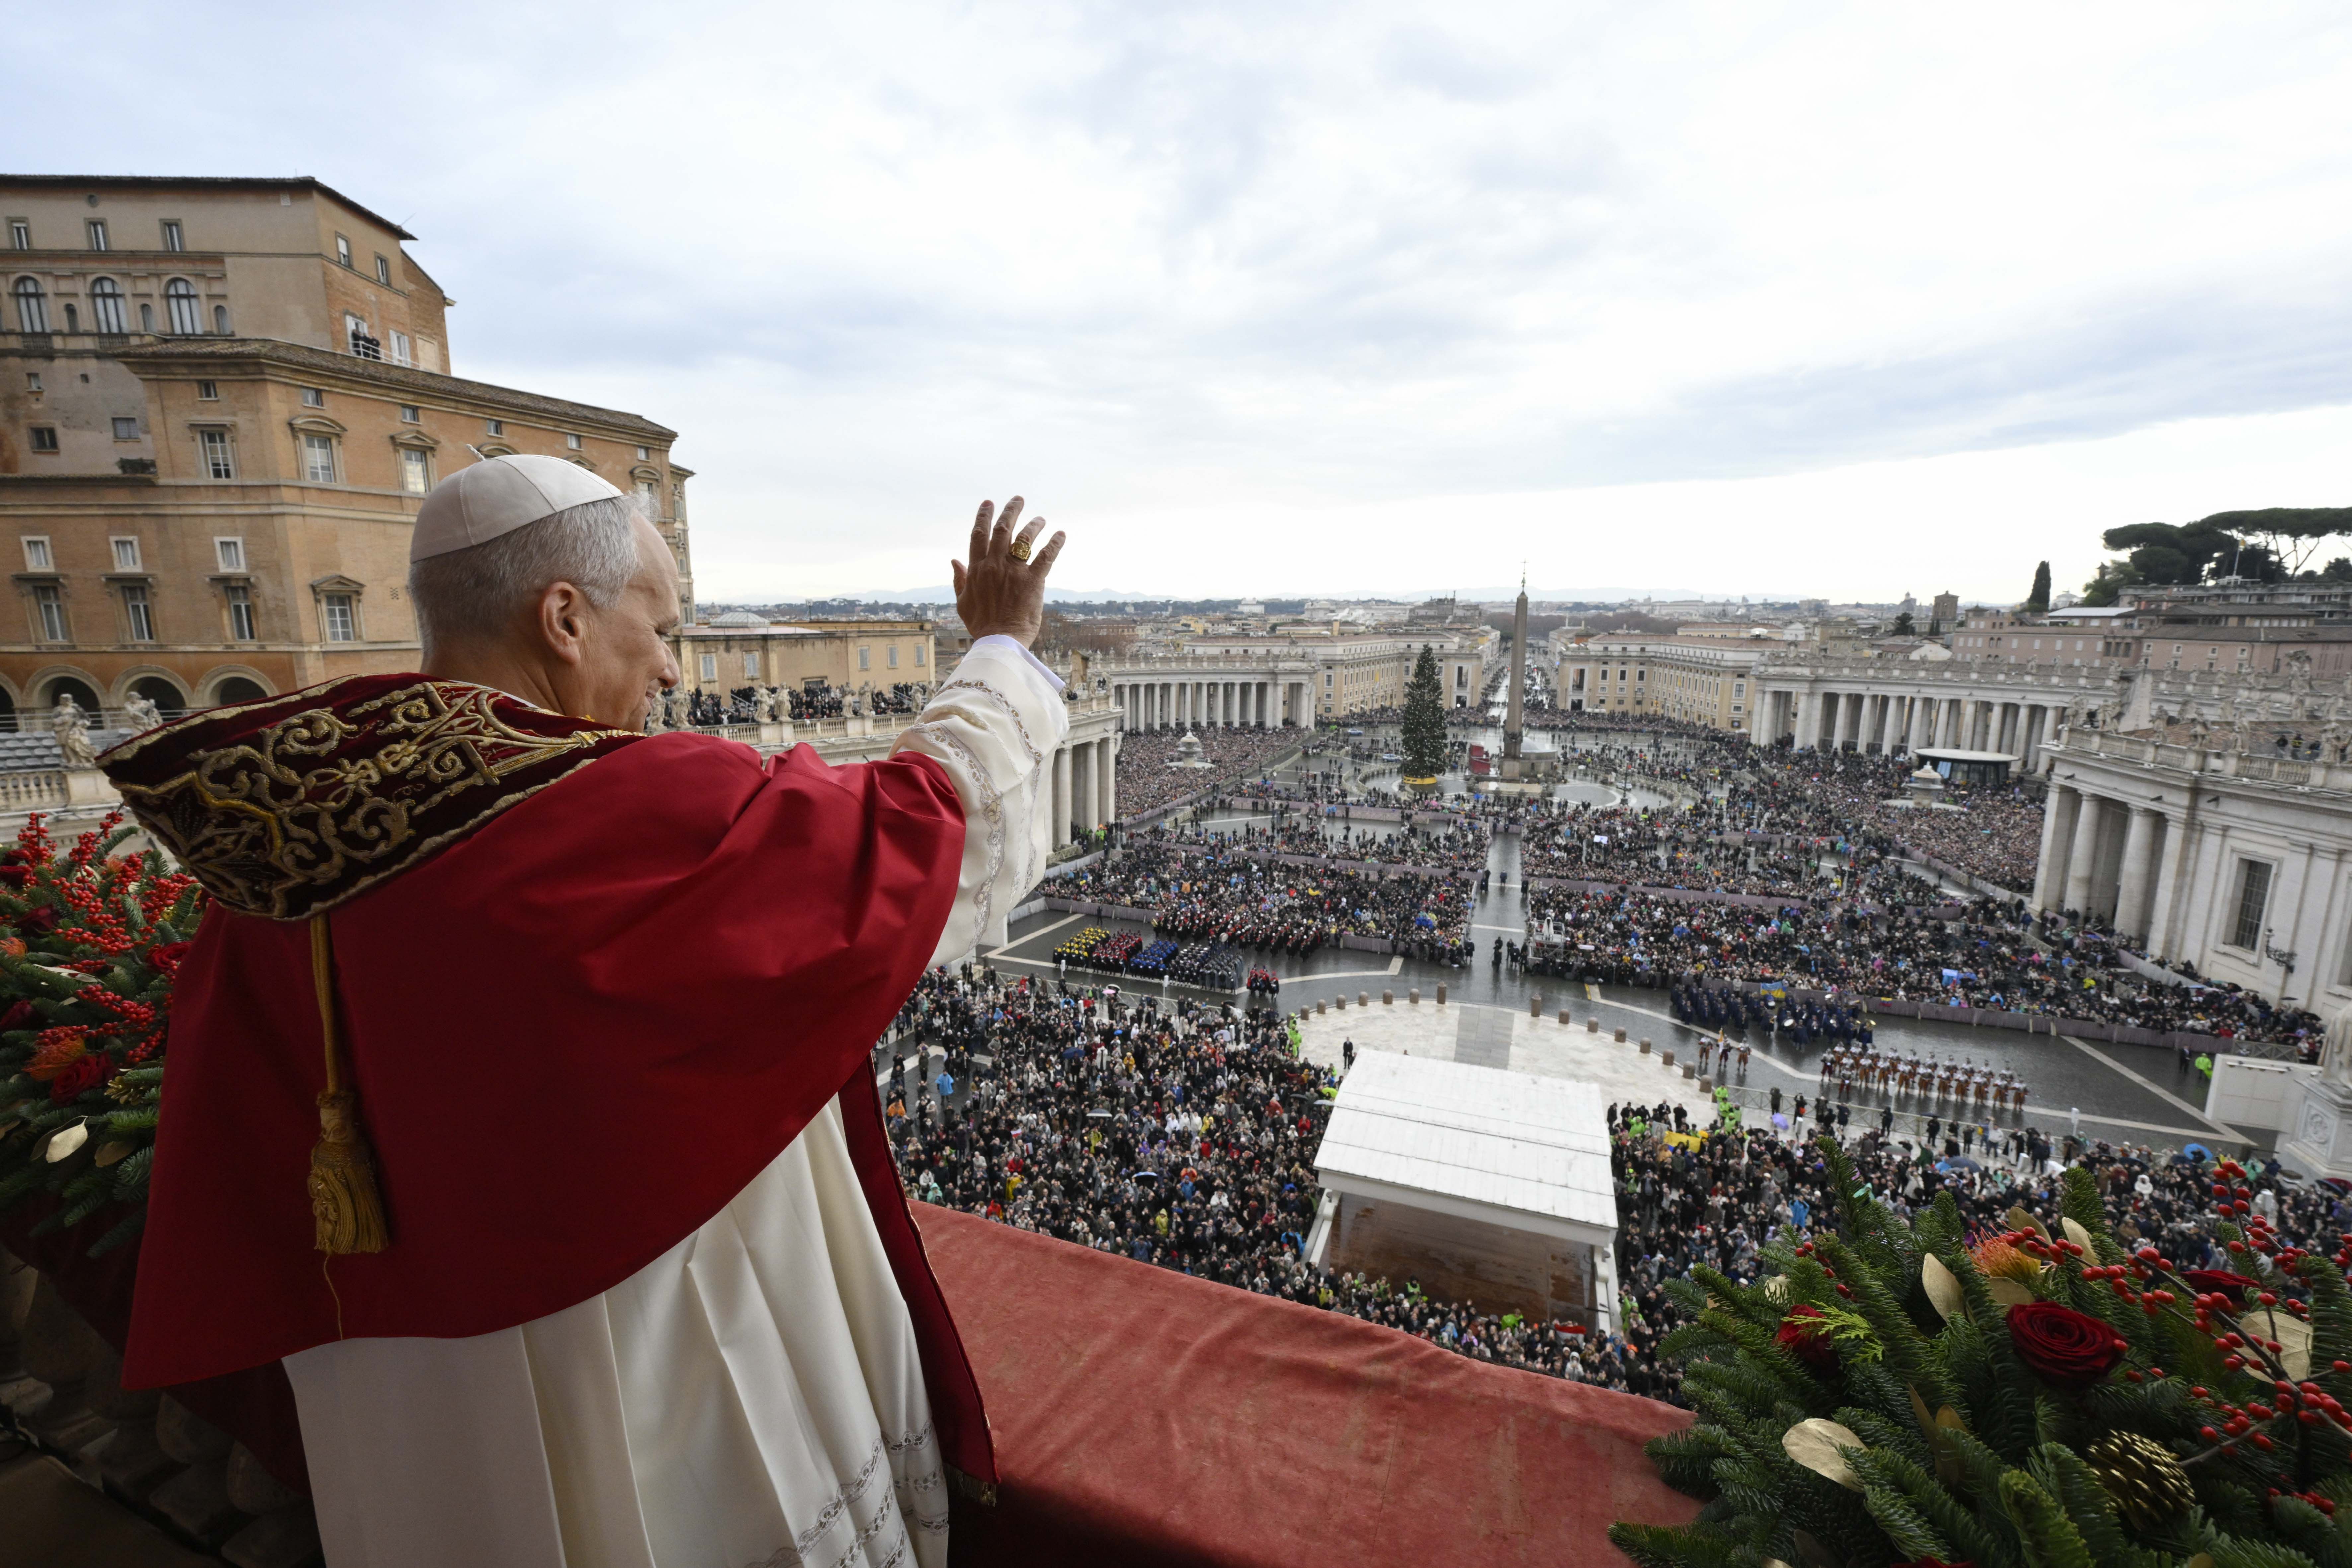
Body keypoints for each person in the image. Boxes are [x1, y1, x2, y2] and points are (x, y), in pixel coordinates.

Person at [101, 458, 1071, 1568]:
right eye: (658, 628)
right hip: (653, 1357)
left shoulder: (279, 856)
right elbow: (932, 834)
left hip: (409, 1399)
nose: (669, 668)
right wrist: (1001, 646)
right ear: (562, 617)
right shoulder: (622, 809)